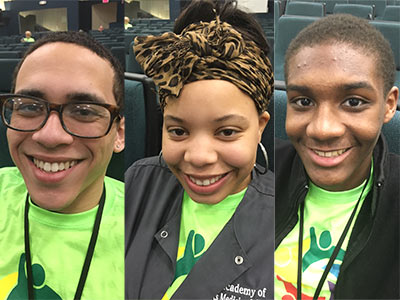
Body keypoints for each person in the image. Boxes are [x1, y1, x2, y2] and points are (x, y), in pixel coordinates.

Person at [125, 0, 274, 299]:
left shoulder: (289, 214)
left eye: (227, 132)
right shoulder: (136, 186)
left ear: (260, 125)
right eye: (178, 131)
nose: (199, 157)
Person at [274, 14, 399, 299]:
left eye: (353, 102)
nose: (323, 129)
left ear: (389, 105)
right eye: (303, 102)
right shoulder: (259, 177)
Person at [0, 31, 125, 299]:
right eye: (30, 107)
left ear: (119, 134)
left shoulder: (153, 228)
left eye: (84, 111)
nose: (50, 136)